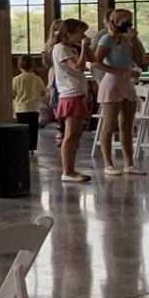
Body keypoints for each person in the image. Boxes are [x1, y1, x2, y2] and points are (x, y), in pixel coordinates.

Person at [92, 7, 146, 175]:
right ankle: (108, 163)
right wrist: (119, 72)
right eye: (124, 21)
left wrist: (134, 40)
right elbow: (96, 62)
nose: (128, 25)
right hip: (112, 81)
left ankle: (129, 163)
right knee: (110, 124)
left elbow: (138, 59)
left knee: (127, 125)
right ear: (115, 22)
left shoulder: (128, 40)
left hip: (127, 82)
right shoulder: (107, 39)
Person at [50, 18, 93, 182]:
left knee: (76, 134)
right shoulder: (61, 49)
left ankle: (71, 168)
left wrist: (86, 48)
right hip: (70, 93)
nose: (82, 35)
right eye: (80, 33)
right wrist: (83, 48)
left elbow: (93, 59)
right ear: (69, 34)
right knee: (70, 134)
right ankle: (67, 171)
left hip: (76, 93)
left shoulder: (70, 49)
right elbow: (78, 67)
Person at [12, 55, 46, 154]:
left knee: (22, 129)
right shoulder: (37, 78)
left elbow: (13, 93)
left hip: (21, 108)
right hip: (34, 108)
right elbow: (43, 92)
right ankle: (31, 148)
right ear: (33, 65)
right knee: (33, 129)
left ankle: (22, 146)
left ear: (19, 66)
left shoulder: (16, 79)